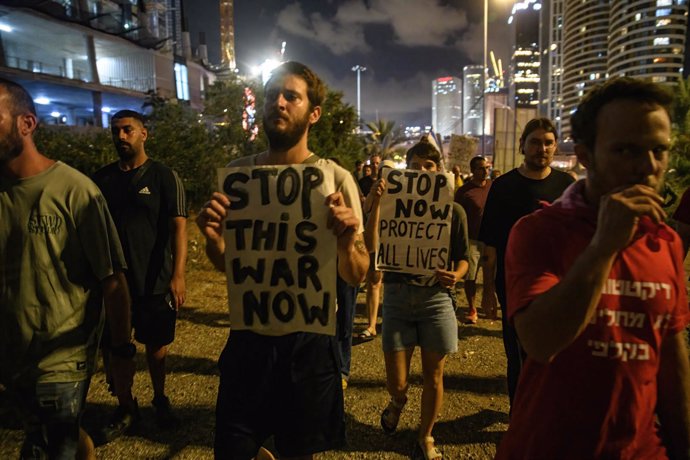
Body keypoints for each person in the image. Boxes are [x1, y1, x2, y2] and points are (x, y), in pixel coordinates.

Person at [496, 78, 690, 459]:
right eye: (625, 150)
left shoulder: (664, 241)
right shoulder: (539, 232)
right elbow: (539, 341)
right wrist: (604, 247)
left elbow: (669, 355)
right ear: (585, 155)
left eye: (659, 150)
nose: (648, 166)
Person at [196, 61, 368, 460]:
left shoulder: (335, 179)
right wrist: (213, 240)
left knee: (298, 452)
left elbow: (356, 273)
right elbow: (229, 267)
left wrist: (346, 242)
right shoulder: (238, 178)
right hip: (249, 344)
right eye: (273, 94)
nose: (279, 102)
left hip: (308, 350)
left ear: (314, 112)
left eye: (292, 95)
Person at [0, 78, 134, 458]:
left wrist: (122, 352)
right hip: (12, 356)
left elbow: (113, 281)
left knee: (47, 446)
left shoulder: (74, 191)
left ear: (27, 124)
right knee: (64, 440)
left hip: (61, 359)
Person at [369, 139, 469, 460]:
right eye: (415, 166)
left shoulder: (454, 211)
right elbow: (371, 246)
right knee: (397, 381)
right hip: (398, 298)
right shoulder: (390, 204)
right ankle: (398, 401)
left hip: (437, 300)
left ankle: (425, 436)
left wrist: (458, 275)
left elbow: (464, 257)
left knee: (434, 376)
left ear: (438, 171)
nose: (422, 171)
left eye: (429, 166)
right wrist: (376, 203)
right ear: (406, 170)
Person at [93, 109, 188, 436]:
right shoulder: (101, 180)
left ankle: (160, 399)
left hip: (154, 278)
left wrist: (178, 274)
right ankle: (125, 405)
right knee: (116, 346)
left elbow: (179, 227)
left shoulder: (164, 176)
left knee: (157, 344)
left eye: (127, 130)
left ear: (143, 133)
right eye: (115, 131)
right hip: (115, 284)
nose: (120, 136)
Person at [478, 118, 574, 406]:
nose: (541, 148)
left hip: (557, 286)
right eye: (534, 142)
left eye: (547, 142)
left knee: (555, 354)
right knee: (518, 356)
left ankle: (545, 415)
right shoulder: (502, 186)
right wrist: (486, 292)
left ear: (555, 147)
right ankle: (519, 417)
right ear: (522, 145)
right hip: (512, 286)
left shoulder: (567, 186)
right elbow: (490, 245)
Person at [454, 156, 494, 323]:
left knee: (491, 276)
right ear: (472, 170)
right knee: (471, 276)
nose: (485, 171)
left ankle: (490, 305)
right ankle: (472, 308)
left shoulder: (494, 187)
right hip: (472, 240)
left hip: (491, 240)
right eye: (481, 168)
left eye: (487, 167)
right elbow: (456, 214)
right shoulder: (464, 192)